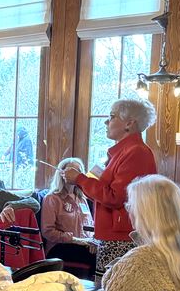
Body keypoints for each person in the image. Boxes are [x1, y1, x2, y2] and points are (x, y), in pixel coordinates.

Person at [63, 97, 157, 274]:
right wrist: (83, 182)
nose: (106, 122)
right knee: (105, 284)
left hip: (122, 238)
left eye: (112, 117)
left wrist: (80, 179)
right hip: (115, 235)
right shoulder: (125, 152)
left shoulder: (135, 152)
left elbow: (115, 197)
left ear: (129, 123)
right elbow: (106, 194)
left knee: (112, 288)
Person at [41, 156, 96, 270]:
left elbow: (90, 226)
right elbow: (47, 231)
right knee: (97, 259)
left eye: (78, 171)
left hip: (83, 245)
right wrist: (76, 240)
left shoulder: (82, 199)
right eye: (71, 170)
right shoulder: (52, 198)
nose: (74, 174)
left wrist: (93, 241)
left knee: (102, 252)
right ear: (62, 173)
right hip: (60, 247)